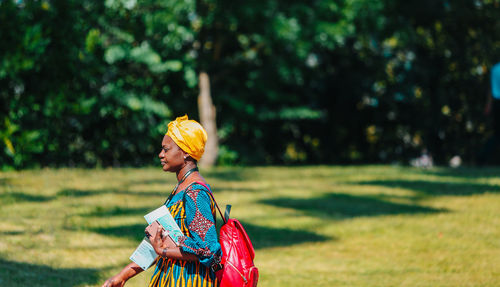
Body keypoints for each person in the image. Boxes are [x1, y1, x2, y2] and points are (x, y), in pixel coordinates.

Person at [102, 115, 222, 287]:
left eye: (166, 149)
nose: (160, 154)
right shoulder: (180, 189)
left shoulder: (196, 192)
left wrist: (164, 250)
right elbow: (160, 242)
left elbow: (207, 249)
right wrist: (123, 276)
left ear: (186, 151)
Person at [478, 62, 500, 164]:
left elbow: (491, 89)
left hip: (496, 104)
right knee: (497, 135)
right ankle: (482, 158)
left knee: (496, 134)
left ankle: (482, 158)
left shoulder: (495, 69)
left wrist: (488, 105)